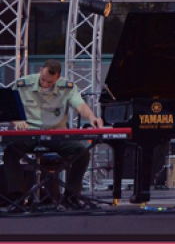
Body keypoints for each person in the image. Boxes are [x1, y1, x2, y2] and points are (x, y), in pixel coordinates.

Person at [3, 60, 104, 207]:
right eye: (43, 80)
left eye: (50, 82)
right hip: (29, 132)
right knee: (10, 151)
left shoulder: (67, 87)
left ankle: (71, 196)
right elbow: (8, 108)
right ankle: (17, 197)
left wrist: (92, 117)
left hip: (56, 134)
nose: (45, 84)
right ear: (40, 70)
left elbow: (80, 105)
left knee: (81, 152)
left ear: (57, 78)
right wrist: (15, 120)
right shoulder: (22, 84)